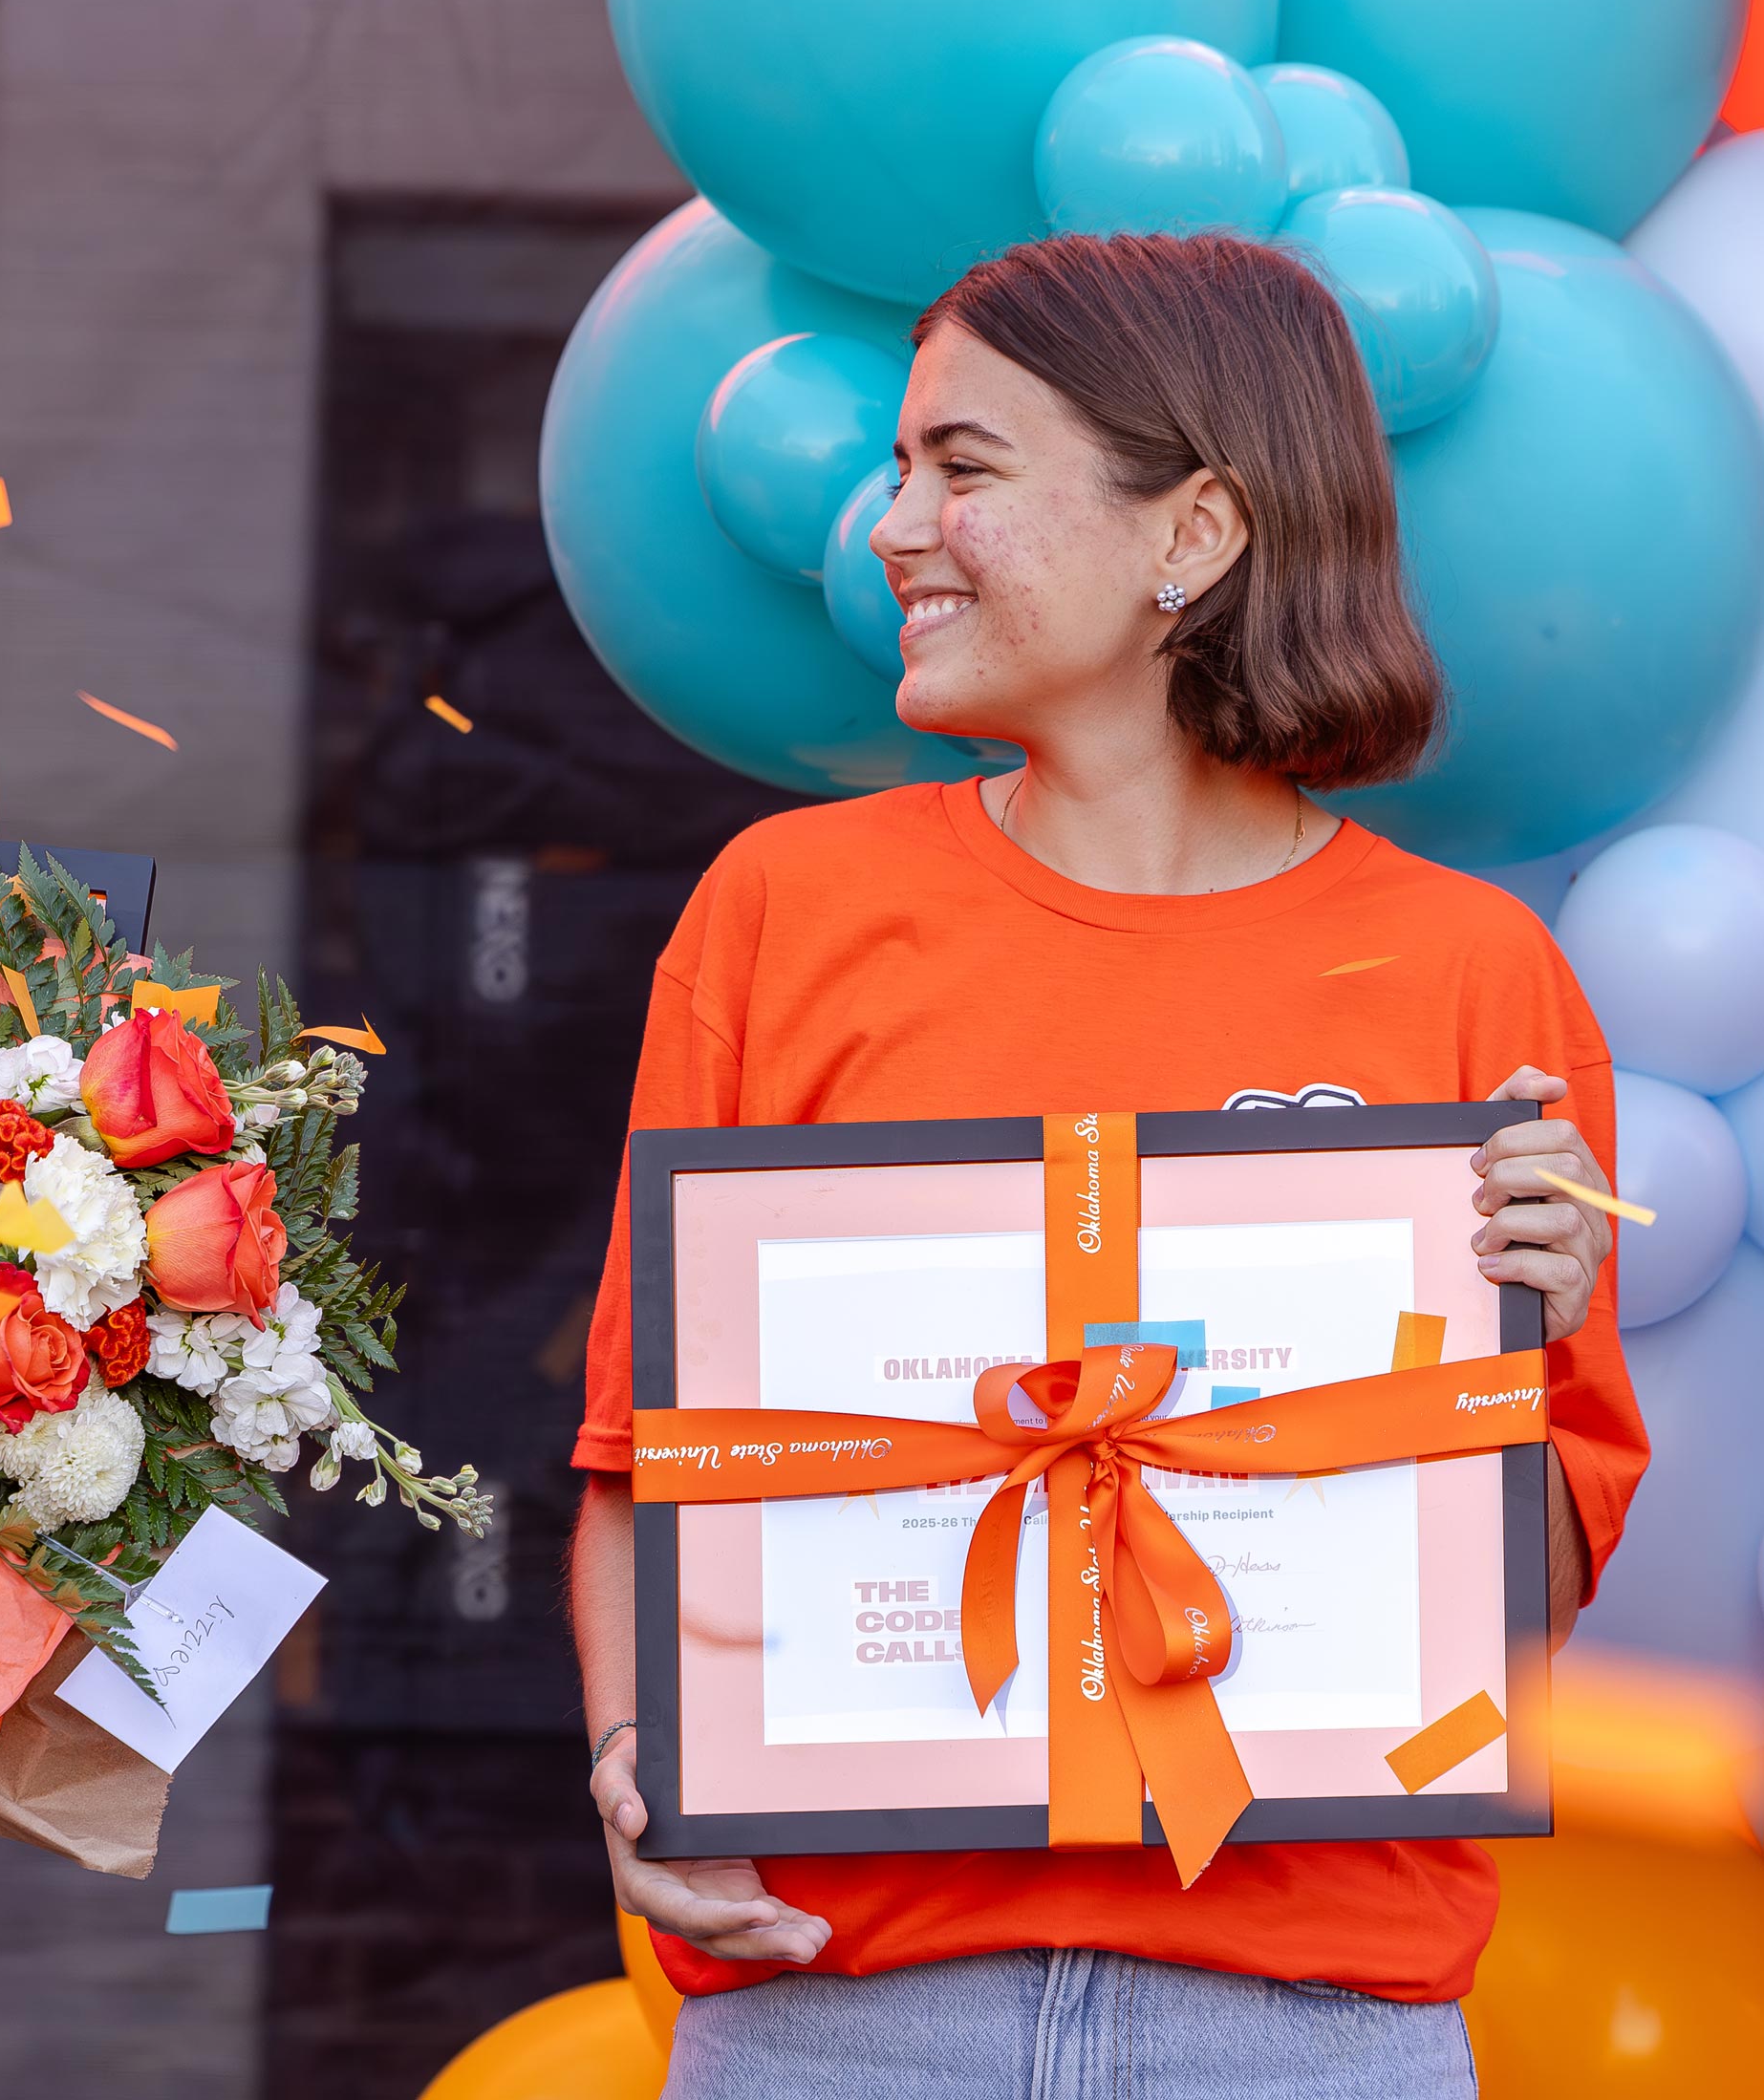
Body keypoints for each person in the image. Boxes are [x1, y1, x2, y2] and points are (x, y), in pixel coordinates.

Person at [569, 231, 1644, 2096]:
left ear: (1194, 533)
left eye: (959, 467)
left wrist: (1517, 1348)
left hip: (1306, 2033)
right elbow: (640, 1462)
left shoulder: (1481, 978)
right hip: (840, 2018)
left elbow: (1506, 1631)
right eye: (896, 465)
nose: (890, 523)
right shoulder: (778, 914)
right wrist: (634, 1758)